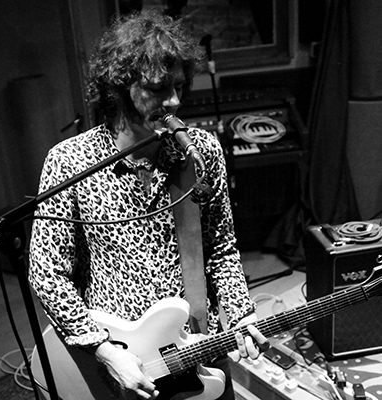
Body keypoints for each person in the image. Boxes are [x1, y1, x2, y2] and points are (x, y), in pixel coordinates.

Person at [29, 10, 268, 400]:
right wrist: (103, 349)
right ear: (119, 87)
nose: (173, 101)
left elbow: (221, 247)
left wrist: (241, 313)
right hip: (118, 354)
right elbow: (47, 274)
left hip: (196, 347)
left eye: (179, 86)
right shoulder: (69, 162)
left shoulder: (200, 153)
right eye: (157, 89)